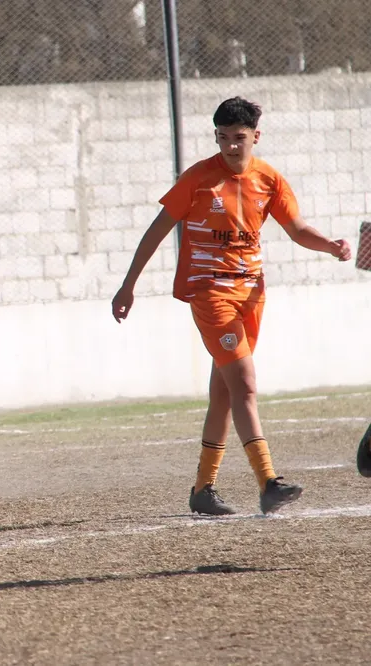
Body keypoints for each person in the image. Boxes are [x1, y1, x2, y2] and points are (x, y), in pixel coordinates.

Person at [111, 96, 352, 515]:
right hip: (210, 292)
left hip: (252, 293)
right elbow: (157, 230)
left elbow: (296, 229)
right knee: (245, 383)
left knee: (223, 393)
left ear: (255, 136)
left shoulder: (269, 179)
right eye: (222, 138)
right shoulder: (199, 178)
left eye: (239, 138)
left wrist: (330, 245)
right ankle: (268, 481)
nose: (230, 147)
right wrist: (128, 285)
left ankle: (203, 490)